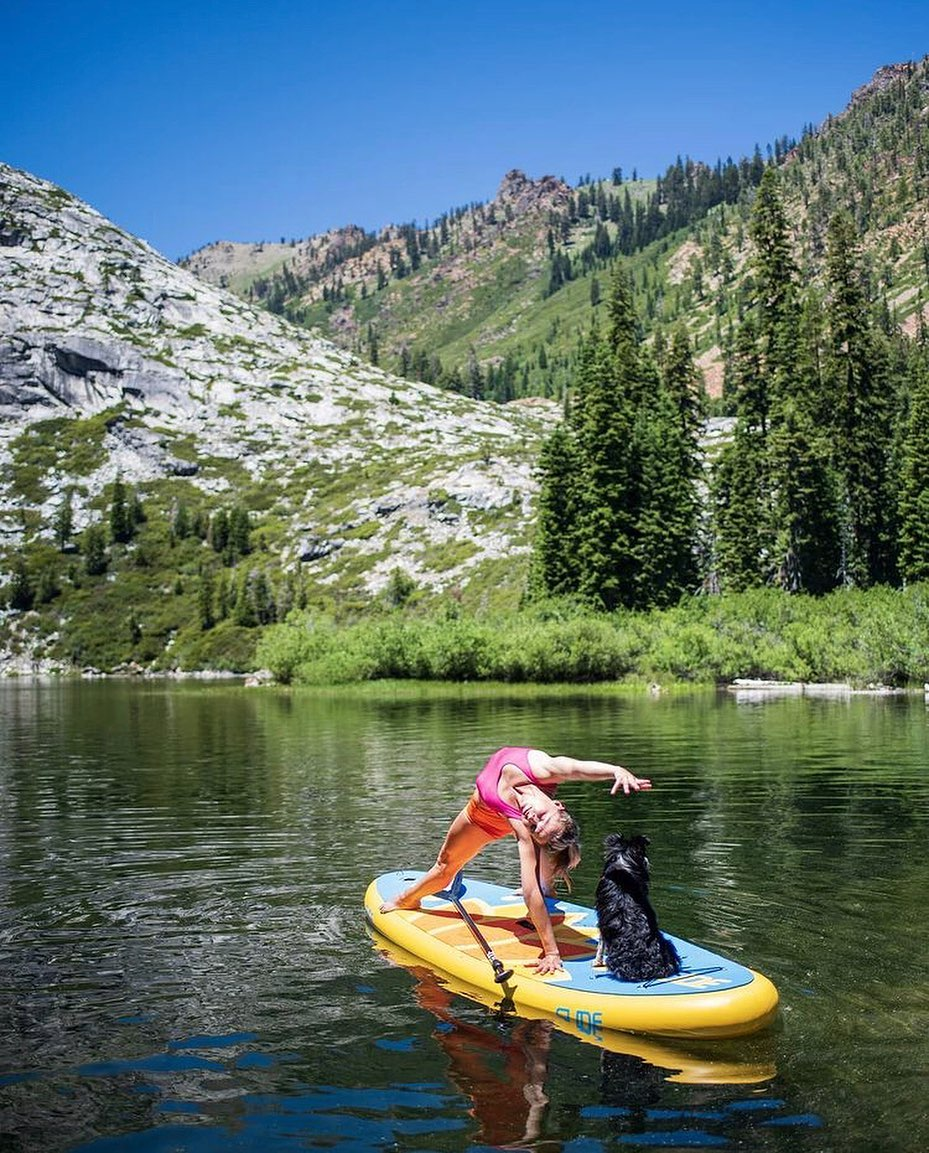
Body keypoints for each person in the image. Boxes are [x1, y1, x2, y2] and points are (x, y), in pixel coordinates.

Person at [380, 746, 651, 975]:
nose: (533, 818)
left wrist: (552, 951)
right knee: (444, 868)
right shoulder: (541, 768)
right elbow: (576, 768)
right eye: (542, 818)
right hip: (480, 817)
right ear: (558, 806)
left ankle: (548, 889)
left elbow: (529, 889)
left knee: (536, 883)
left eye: (536, 827)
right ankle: (409, 899)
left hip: (504, 820)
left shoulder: (524, 827)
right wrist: (616, 770)